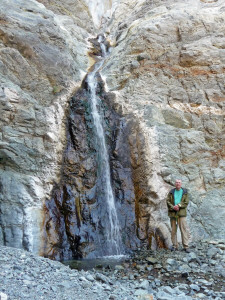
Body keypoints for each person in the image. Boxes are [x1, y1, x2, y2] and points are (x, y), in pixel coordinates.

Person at [167, 179, 190, 252]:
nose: (178, 184)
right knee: (173, 230)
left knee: (183, 230)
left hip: (181, 213)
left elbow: (186, 202)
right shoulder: (171, 192)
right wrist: (173, 207)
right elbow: (167, 201)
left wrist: (179, 205)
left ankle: (186, 246)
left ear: (181, 184)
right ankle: (174, 246)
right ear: (175, 183)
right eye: (176, 182)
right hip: (173, 213)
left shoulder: (185, 192)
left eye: (179, 182)